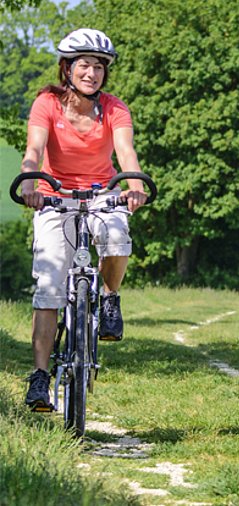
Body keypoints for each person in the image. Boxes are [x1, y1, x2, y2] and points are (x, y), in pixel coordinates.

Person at [18, 29, 149, 410]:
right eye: (84, 65)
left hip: (102, 193)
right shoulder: (47, 103)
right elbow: (34, 148)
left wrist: (135, 182)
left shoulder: (114, 108)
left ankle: (109, 297)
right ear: (68, 69)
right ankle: (40, 377)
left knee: (118, 236)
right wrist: (30, 179)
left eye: (98, 67)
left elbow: (126, 152)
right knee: (48, 287)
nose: (92, 73)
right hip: (55, 195)